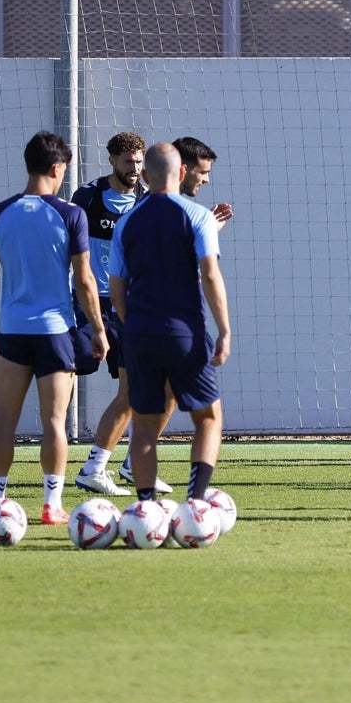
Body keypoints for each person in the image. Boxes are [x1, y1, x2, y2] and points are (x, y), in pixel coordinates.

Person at [0, 130, 109, 525]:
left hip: (13, 332)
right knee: (54, 421)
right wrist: (99, 330)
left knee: (4, 420)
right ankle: (51, 506)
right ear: (56, 168)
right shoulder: (71, 214)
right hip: (56, 333)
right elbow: (85, 281)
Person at [109, 142, 232, 502]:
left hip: (140, 334)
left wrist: (135, 326)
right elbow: (210, 275)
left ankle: (146, 508)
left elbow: (117, 290)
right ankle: (195, 501)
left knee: (144, 426)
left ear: (145, 176)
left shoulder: (127, 222)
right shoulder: (198, 216)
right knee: (208, 418)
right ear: (181, 173)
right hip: (185, 334)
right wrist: (224, 330)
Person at [70, 132, 166, 496]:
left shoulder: (148, 199)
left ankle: (120, 465)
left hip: (130, 305)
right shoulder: (88, 196)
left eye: (140, 162)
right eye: (129, 162)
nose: (135, 169)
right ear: (111, 160)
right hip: (90, 303)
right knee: (65, 375)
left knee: (137, 388)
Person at [175, 136, 233, 228]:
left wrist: (207, 227)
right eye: (203, 173)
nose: (207, 180)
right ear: (183, 170)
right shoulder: (158, 207)